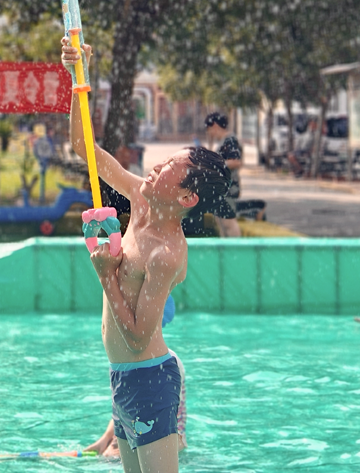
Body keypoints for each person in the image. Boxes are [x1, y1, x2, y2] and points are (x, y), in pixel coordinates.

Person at [61, 38, 231, 473]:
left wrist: (106, 275)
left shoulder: (166, 253)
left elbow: (138, 336)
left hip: (149, 377)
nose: (154, 167)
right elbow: (83, 148)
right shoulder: (140, 196)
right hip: (122, 376)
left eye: (168, 169)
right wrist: (78, 79)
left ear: (188, 198)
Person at [85, 296, 188, 459]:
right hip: (139, 429)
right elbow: (124, 407)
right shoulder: (124, 362)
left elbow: (160, 419)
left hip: (171, 439)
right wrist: (104, 440)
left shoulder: (167, 363)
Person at [203, 112, 243, 237]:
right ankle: (225, 247)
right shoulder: (224, 141)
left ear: (215, 125)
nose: (209, 133)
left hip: (229, 188)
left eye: (209, 129)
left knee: (228, 222)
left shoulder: (230, 140)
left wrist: (215, 165)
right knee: (221, 222)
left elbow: (236, 161)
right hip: (222, 188)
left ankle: (236, 248)